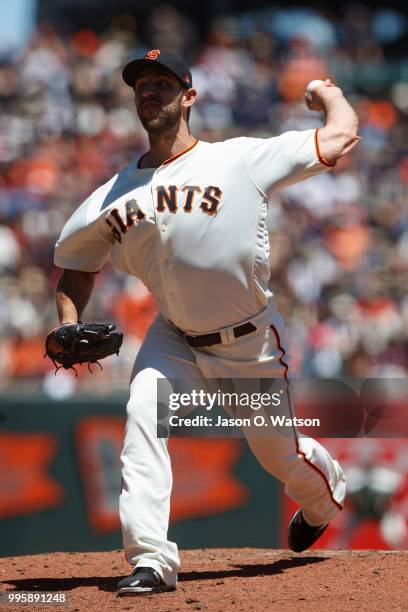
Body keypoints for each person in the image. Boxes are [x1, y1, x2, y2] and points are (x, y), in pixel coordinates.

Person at [52, 50, 360, 595]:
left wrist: (329, 94)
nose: (149, 91)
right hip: (173, 337)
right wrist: (68, 321)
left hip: (248, 344)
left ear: (188, 96)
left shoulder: (239, 160)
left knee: (279, 454)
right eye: (141, 84)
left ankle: (324, 492)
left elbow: (338, 138)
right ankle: (151, 560)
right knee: (144, 411)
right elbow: (75, 265)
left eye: (162, 83)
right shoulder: (113, 193)